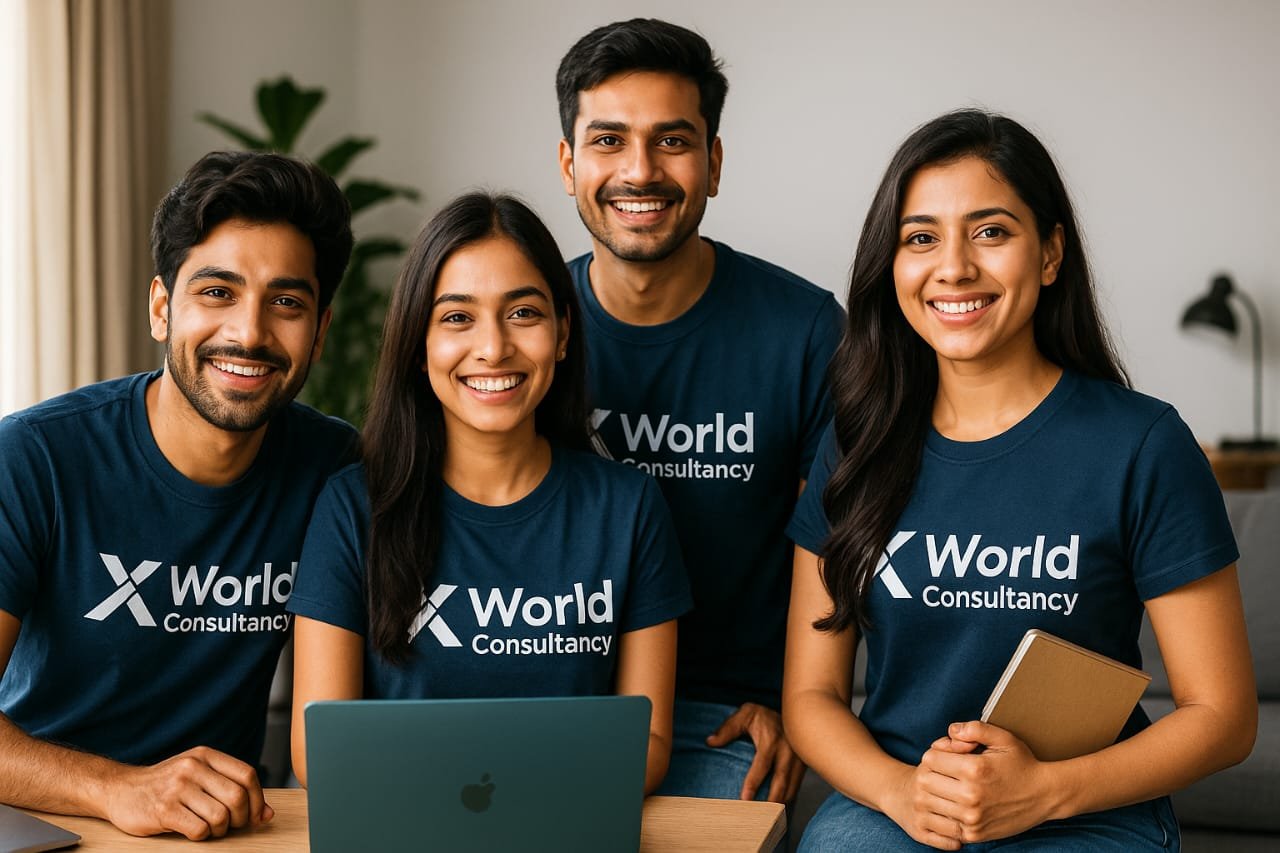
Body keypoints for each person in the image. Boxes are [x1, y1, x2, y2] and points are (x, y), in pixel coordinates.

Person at [784, 109, 1257, 851]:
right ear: (893, 264)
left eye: (991, 231)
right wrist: (901, 794)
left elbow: (1224, 715)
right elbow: (810, 697)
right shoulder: (855, 445)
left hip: (1087, 810)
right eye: (920, 238)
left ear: (1049, 253)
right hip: (899, 809)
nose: (954, 267)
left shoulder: (1143, 444)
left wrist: (1045, 792)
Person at [0, 151, 356, 839]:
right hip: (49, 823)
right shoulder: (35, 457)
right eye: (217, 292)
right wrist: (117, 788)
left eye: (286, 302)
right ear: (163, 308)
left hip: (218, 833)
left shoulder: (334, 469)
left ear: (319, 334)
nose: (249, 333)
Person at [288, 192, 691, 794]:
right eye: (456, 317)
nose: (494, 347)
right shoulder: (353, 508)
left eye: (523, 313)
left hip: (568, 822)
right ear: (418, 347)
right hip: (400, 824)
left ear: (561, 333)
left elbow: (651, 743)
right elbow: (317, 752)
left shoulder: (627, 507)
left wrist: (514, 797)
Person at [554, 18, 843, 804]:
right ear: (568, 163)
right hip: (559, 705)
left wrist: (801, 704)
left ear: (714, 163)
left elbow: (850, 539)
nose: (639, 171)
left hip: (733, 722)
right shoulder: (516, 331)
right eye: (609, 141)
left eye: (672, 141)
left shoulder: (805, 331)